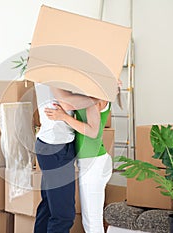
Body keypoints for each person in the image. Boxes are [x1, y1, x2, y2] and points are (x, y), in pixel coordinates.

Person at [44, 89, 113, 233]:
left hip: (94, 164)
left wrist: (64, 117)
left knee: (92, 223)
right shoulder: (93, 95)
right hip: (94, 161)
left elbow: (93, 132)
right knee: (91, 221)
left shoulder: (94, 98)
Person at [33, 83, 98, 233]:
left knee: (49, 207)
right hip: (54, 147)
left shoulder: (61, 72)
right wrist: (97, 98)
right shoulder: (50, 72)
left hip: (60, 145)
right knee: (64, 215)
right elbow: (67, 102)